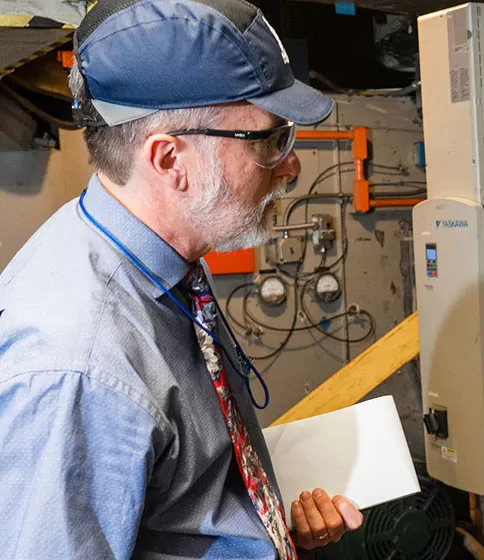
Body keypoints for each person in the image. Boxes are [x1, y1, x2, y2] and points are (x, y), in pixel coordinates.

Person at [0, 0, 364, 557]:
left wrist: (265, 527)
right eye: (268, 139)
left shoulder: (155, 264)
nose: (290, 165)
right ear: (171, 161)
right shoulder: (82, 366)